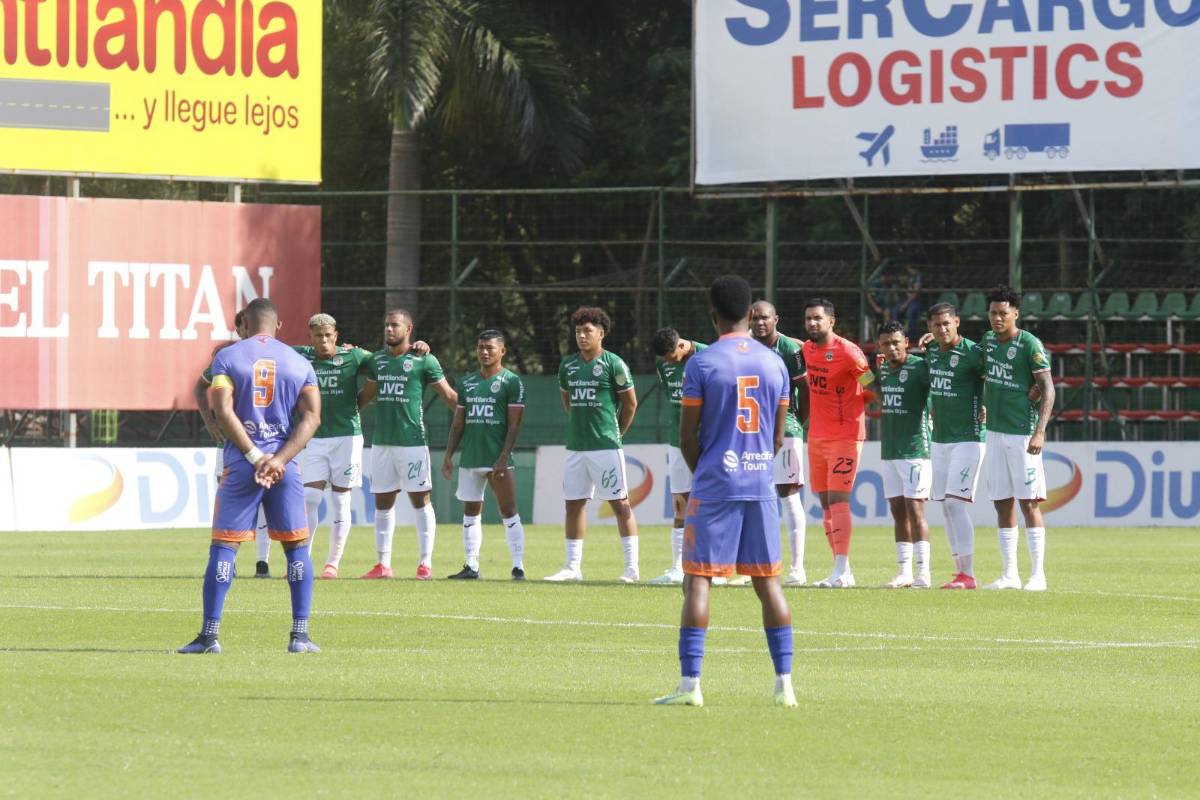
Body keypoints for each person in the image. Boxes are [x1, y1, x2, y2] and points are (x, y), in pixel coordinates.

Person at [653, 275, 796, 708]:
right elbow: (777, 437)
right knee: (769, 583)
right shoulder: (776, 363)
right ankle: (784, 685)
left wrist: (707, 472)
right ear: (751, 314)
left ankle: (690, 685)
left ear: (712, 315)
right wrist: (756, 465)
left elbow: (687, 436)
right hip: (760, 483)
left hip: (716, 482)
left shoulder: (701, 364)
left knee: (697, 580)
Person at [177, 298, 322, 654]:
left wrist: (255, 456)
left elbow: (222, 408)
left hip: (243, 465)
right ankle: (300, 636)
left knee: (224, 548)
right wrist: (278, 460)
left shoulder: (227, 357)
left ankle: (209, 636)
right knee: (297, 549)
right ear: (278, 325)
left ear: (244, 322)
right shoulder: (299, 362)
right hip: (284, 468)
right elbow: (312, 418)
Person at [358, 309, 458, 580]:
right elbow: (364, 397)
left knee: (420, 500)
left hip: (412, 443)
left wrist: (470, 420)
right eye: (386, 325)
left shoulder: (423, 359)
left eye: (395, 325)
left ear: (408, 329)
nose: (389, 329)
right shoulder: (377, 361)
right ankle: (383, 565)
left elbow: (450, 397)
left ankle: (425, 564)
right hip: (382, 443)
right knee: (382, 502)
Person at [546, 307, 640, 582]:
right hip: (576, 447)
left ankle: (631, 569)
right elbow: (568, 402)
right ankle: (572, 568)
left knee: (619, 504)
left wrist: (616, 433)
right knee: (573, 505)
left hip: (606, 446)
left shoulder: (614, 364)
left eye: (587, 331)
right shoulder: (568, 365)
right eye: (578, 331)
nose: (582, 336)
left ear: (602, 333)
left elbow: (630, 404)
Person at [978, 286, 1055, 591]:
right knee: (1001, 503)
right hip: (994, 433)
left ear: (1016, 314)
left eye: (1003, 313)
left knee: (1029, 503)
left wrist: (1040, 431)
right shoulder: (987, 341)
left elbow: (1047, 389)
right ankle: (1009, 573)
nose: (997, 318)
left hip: (1023, 434)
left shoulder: (1029, 344)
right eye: (993, 313)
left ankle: (1038, 575)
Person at [801, 298, 879, 589]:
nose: (812, 323)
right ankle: (841, 570)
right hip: (816, 436)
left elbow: (872, 385)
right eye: (808, 318)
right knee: (824, 504)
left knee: (838, 500)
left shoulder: (849, 352)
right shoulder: (807, 349)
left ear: (831, 321)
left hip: (845, 437)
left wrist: (863, 405)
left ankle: (841, 568)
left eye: (817, 318)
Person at [441, 330, 528, 580]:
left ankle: (518, 566)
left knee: (508, 510)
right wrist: (449, 455)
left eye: (490, 348)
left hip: (497, 459)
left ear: (502, 351)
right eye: (481, 347)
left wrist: (504, 456)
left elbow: (515, 424)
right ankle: (472, 566)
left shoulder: (512, 382)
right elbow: (459, 423)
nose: (485, 352)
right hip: (470, 457)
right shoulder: (467, 382)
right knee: (470, 510)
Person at [293, 313, 373, 579]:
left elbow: (384, 363)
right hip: (315, 437)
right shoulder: (301, 356)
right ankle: (302, 561)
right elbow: (272, 350)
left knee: (341, 500)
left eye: (328, 335)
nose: (324, 340)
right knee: (310, 497)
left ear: (336, 336)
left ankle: (332, 563)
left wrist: (419, 347)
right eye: (318, 336)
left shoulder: (354, 356)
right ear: (311, 337)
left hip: (347, 437)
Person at [195, 311, 273, 578]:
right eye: (242, 327)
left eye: (249, 325)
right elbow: (200, 386)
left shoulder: (275, 354)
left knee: (265, 500)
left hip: (264, 440)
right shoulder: (226, 355)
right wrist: (210, 422)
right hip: (229, 445)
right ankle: (227, 561)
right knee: (228, 502)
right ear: (239, 329)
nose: (246, 331)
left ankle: (262, 562)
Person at [920, 303, 987, 590]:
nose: (942, 329)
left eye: (947, 323)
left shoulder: (973, 353)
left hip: (969, 437)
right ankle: (959, 571)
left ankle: (968, 574)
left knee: (954, 504)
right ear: (930, 327)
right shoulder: (932, 350)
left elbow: (996, 378)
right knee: (945, 508)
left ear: (957, 322)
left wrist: (987, 403)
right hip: (940, 438)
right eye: (936, 325)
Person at [750, 300, 810, 586]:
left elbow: (805, 388)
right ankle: (756, 565)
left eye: (765, 317)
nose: (760, 322)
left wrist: (798, 420)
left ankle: (797, 568)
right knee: (755, 496)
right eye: (754, 318)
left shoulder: (789, 348)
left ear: (776, 319)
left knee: (788, 494)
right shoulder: (746, 347)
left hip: (785, 429)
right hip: (752, 431)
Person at [875, 321, 933, 589]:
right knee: (897, 511)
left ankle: (924, 572)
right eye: (886, 343)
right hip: (889, 450)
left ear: (906, 342)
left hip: (915, 450)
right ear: (880, 346)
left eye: (896, 342)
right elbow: (876, 391)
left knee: (915, 509)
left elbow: (940, 392)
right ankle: (904, 572)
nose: (891, 347)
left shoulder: (920, 368)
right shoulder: (883, 368)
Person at [647, 328, 707, 585]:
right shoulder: (664, 365)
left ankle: (714, 566)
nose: (667, 361)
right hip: (678, 441)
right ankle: (678, 567)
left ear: (681, 345)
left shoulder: (708, 357)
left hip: (709, 441)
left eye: (670, 356)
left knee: (711, 503)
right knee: (680, 503)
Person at [891, 263, 924, 340]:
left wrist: (905, 304)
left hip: (915, 301)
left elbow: (915, 294)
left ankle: (912, 337)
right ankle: (897, 334)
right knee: (895, 311)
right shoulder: (909, 276)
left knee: (910, 313)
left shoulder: (919, 276)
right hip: (906, 300)